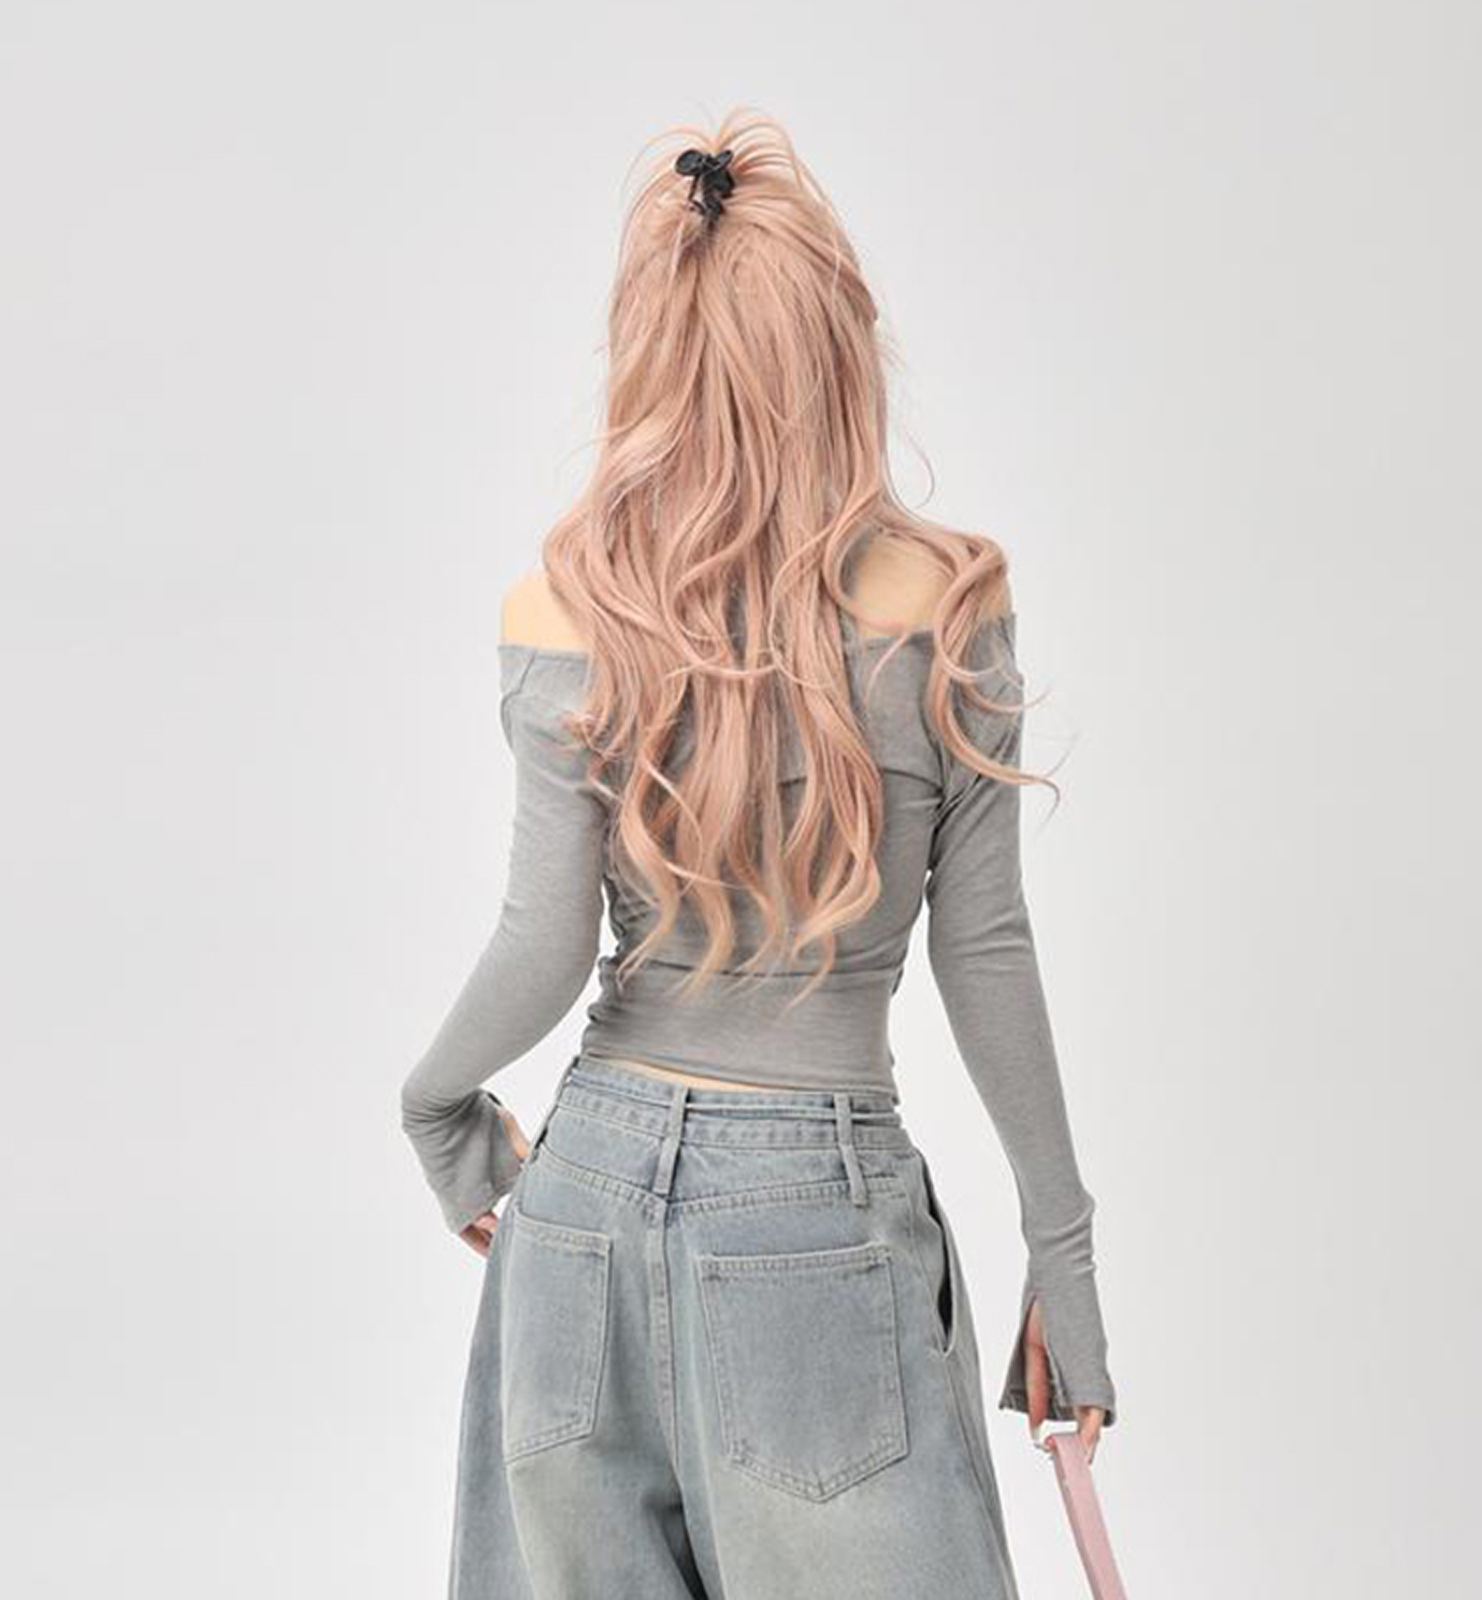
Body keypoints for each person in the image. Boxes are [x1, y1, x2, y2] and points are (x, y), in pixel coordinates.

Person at [399, 109, 1118, 1600]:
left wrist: (435, 1101)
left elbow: (544, 941)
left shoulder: (569, 606)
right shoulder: (947, 605)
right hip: (815, 1221)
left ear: (649, 354)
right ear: (843, 349)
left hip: (579, 1205)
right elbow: (983, 948)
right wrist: (1065, 1252)